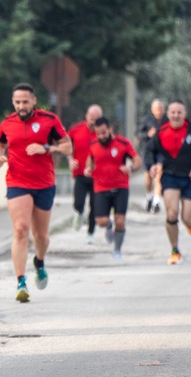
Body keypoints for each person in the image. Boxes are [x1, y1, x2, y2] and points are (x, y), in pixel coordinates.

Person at [0, 83, 71, 302]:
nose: (21, 106)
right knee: (20, 229)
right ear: (13, 102)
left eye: (25, 102)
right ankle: (21, 281)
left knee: (41, 236)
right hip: (17, 181)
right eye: (17, 102)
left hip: (44, 183)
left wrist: (46, 148)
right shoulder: (7, 123)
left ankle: (39, 261)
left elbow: (68, 147)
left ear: (34, 101)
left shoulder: (49, 120)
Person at [144, 100, 191, 265]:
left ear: (185, 114)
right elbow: (148, 151)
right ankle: (175, 251)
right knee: (172, 213)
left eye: (179, 112)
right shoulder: (161, 132)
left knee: (187, 219)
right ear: (167, 114)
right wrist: (151, 165)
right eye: (172, 112)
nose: (175, 115)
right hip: (170, 176)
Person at [84, 117, 142, 262]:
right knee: (101, 221)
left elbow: (137, 160)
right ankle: (109, 226)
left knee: (120, 221)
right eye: (98, 134)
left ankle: (117, 250)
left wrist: (131, 168)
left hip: (120, 187)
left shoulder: (123, 143)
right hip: (101, 188)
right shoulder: (92, 145)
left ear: (110, 129)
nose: (102, 136)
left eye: (104, 133)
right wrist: (88, 169)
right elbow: (89, 160)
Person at [67, 104, 102, 242]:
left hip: (97, 176)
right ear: (86, 116)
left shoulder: (104, 132)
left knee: (94, 205)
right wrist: (70, 160)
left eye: (97, 119)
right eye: (91, 118)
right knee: (78, 202)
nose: (93, 122)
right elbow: (67, 146)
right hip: (80, 173)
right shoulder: (76, 130)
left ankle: (90, 233)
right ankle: (79, 212)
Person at [137, 100, 166, 213]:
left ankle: (156, 202)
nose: (159, 111)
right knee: (148, 179)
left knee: (159, 175)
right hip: (148, 152)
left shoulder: (166, 120)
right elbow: (138, 133)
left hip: (161, 152)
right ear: (152, 110)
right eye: (157, 109)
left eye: (161, 108)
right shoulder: (146, 120)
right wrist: (147, 135)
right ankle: (149, 197)